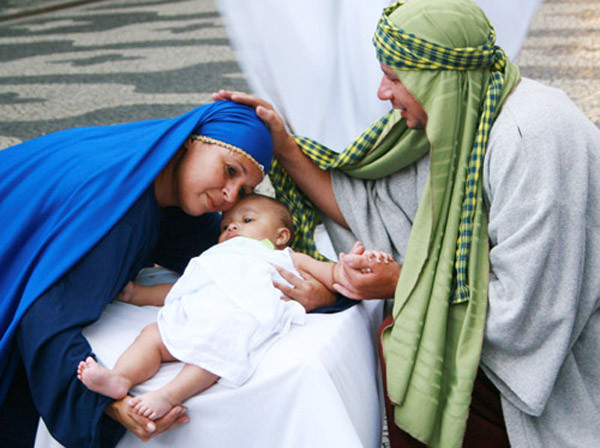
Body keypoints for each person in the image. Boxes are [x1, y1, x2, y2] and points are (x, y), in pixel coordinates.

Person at [213, 0, 600, 446]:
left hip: (567, 375)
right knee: (403, 336)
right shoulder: (462, 115)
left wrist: (402, 283)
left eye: (395, 78)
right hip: (516, 345)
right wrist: (283, 145)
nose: (382, 92)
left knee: (408, 339)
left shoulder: (533, 138)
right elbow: (375, 212)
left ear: (437, 77)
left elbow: (529, 316)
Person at [0, 100, 303, 448]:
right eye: (230, 171)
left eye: (246, 191)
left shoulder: (155, 177)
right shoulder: (119, 212)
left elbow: (241, 256)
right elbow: (45, 318)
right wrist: (111, 407)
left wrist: (324, 287)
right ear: (192, 140)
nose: (230, 197)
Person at [76, 193, 392, 421]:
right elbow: (183, 288)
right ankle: (120, 378)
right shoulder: (215, 255)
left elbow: (332, 274)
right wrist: (138, 294)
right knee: (153, 334)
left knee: (216, 351)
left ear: (281, 236)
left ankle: (169, 395)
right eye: (226, 225)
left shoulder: (285, 256)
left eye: (247, 220)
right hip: (196, 312)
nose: (232, 227)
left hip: (236, 319)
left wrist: (351, 265)